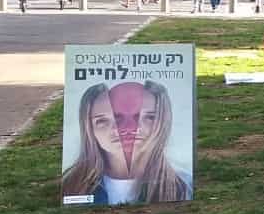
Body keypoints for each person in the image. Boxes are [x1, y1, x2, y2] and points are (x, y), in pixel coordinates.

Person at [60, 81, 192, 204]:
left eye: (149, 117)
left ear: (163, 122)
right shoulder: (71, 186)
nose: (128, 128)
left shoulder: (185, 187)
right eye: (103, 121)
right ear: (89, 129)